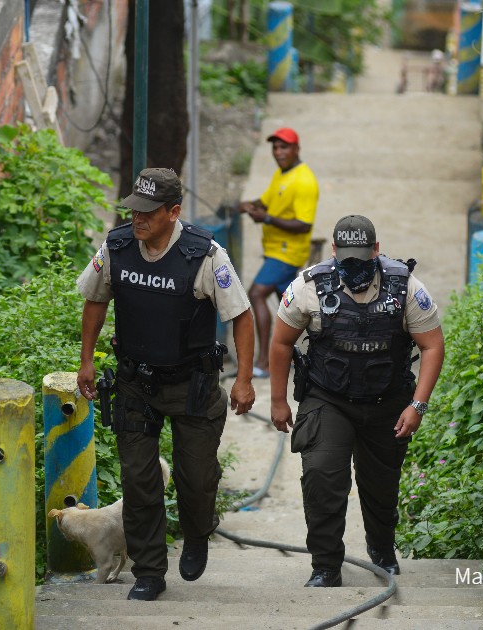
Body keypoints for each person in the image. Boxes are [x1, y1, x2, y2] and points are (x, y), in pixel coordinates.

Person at [76, 167, 256, 601]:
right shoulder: (117, 247)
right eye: (134, 210)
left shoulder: (204, 255)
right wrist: (86, 361)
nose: (138, 220)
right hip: (136, 383)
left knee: (195, 479)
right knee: (140, 482)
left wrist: (245, 380)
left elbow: (242, 316)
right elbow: (95, 300)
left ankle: (197, 532)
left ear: (173, 212)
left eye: (149, 213)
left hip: (191, 385)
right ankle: (149, 571)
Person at [268, 214, 445, 588]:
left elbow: (432, 346)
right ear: (334, 252)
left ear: (376, 251)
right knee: (321, 476)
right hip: (327, 398)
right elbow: (282, 341)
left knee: (381, 486)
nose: (353, 266)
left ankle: (381, 550)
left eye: (362, 259)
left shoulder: (405, 286)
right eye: (346, 258)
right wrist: (278, 401)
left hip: (387, 402)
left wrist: (418, 405)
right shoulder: (309, 286)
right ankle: (325, 565)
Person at [237, 127, 319, 378]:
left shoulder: (304, 181)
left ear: (296, 149)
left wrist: (268, 219)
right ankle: (310, 354)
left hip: (286, 253)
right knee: (294, 305)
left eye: (284, 147)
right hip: (275, 250)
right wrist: (246, 206)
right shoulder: (282, 175)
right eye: (275, 147)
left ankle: (265, 361)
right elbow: (266, 202)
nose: (278, 152)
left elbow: (304, 224)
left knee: (256, 293)